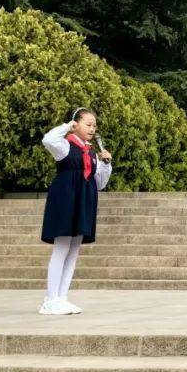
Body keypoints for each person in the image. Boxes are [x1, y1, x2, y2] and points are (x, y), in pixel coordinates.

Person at [39, 108, 113, 315]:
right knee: (61, 247)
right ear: (76, 124)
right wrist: (67, 127)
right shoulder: (64, 145)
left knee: (74, 250)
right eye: (88, 124)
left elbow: (99, 183)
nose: (92, 128)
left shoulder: (91, 152)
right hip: (66, 198)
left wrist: (106, 164)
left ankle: (62, 297)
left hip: (85, 198)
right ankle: (50, 299)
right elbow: (47, 140)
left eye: (94, 125)